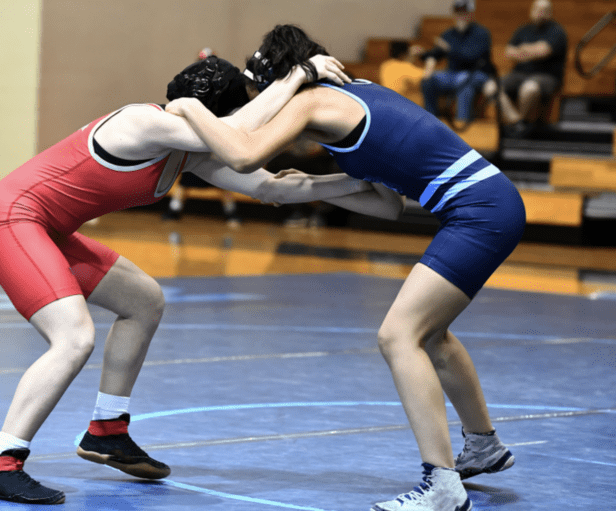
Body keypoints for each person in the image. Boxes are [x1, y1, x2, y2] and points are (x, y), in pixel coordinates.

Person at [0, 53, 400, 505]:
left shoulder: (188, 153)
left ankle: (106, 431)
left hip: (47, 228)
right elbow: (238, 136)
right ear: (217, 114)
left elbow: (270, 187)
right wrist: (299, 75)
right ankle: (0, 464)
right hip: (10, 220)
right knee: (74, 338)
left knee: (143, 301)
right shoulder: (141, 122)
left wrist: (359, 179)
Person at [167, 24, 523, 511]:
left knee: (398, 336)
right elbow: (387, 206)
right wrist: (318, 182)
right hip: (489, 203)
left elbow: (245, 155)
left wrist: (188, 109)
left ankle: (442, 486)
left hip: (480, 212)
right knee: (431, 334)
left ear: (285, 80)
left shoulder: (313, 102)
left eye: (264, 90)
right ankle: (483, 445)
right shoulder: (352, 102)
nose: (263, 102)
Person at [162, 48, 242, 226]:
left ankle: (232, 213)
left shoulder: (223, 84)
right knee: (187, 177)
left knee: (221, 179)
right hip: (195, 136)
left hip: (213, 136)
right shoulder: (190, 81)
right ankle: (174, 210)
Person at [495, 0, 568, 137]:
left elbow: (544, 51)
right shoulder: (523, 30)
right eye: (537, 8)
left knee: (529, 87)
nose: (540, 12)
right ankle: (517, 121)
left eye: (544, 9)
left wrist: (523, 49)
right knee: (492, 86)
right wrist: (533, 50)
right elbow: (509, 52)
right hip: (519, 74)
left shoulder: (557, 31)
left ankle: (523, 122)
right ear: (531, 10)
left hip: (547, 77)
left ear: (550, 12)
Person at [420, 0, 495, 123]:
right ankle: (431, 122)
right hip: (452, 74)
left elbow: (472, 56)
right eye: (458, 12)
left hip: (476, 74)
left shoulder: (482, 33)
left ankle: (462, 126)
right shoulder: (449, 34)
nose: (461, 16)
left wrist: (449, 49)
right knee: (428, 80)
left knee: (464, 82)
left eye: (464, 12)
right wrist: (423, 54)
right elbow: (437, 54)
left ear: (471, 13)